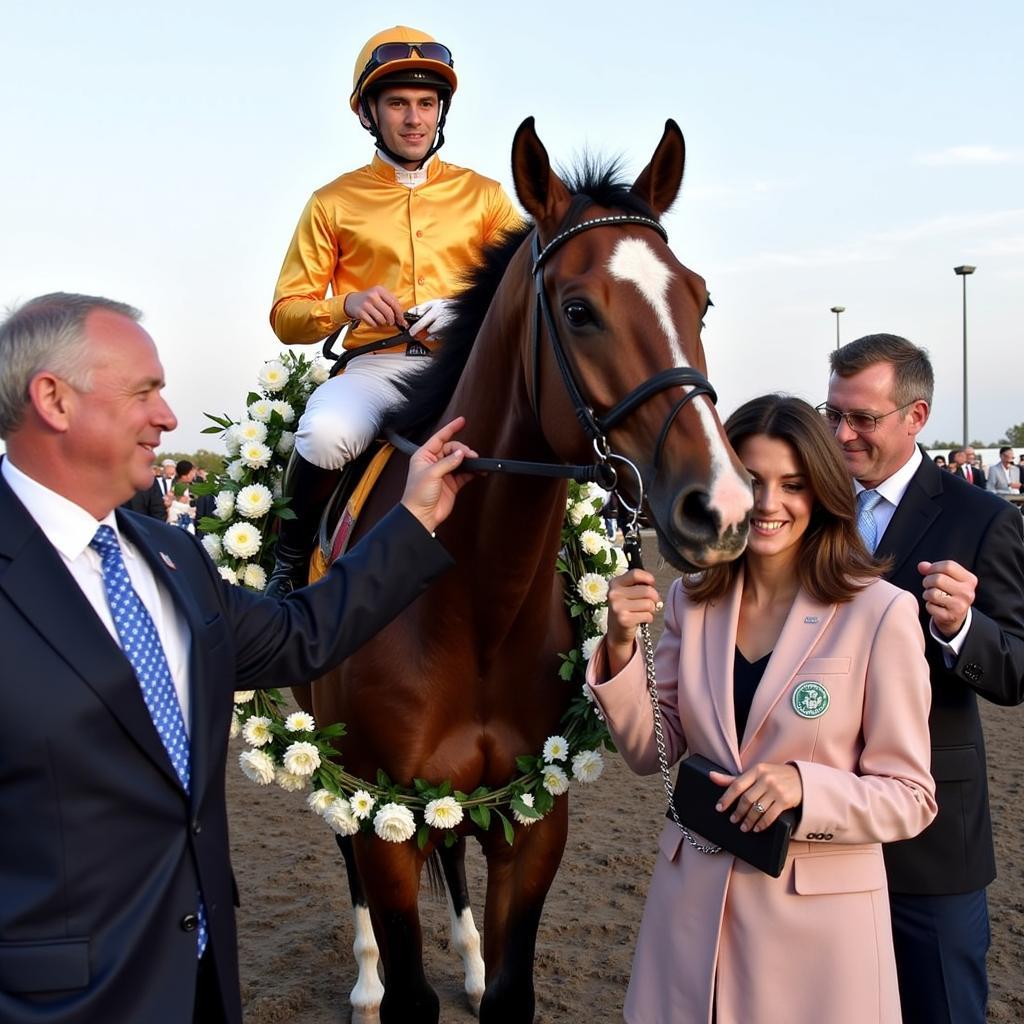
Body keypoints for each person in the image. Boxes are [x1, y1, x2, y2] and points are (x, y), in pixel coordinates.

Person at [0, 292, 477, 1024]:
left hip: (202, 978)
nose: (168, 418)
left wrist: (412, 519)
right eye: (145, 392)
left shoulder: (170, 557)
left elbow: (300, 634)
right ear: (53, 399)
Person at [587, 395, 937, 1024]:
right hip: (689, 921)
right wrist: (617, 645)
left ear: (825, 492)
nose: (770, 504)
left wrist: (805, 787)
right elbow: (650, 752)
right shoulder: (689, 601)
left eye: (794, 485)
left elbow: (910, 796)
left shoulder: (881, 613)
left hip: (818, 946)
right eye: (752, 481)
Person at [266, 25, 522, 596]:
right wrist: (345, 304)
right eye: (399, 103)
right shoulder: (331, 202)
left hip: (464, 370)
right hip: (376, 371)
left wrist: (464, 309)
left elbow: (525, 288)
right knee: (329, 433)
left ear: (441, 111)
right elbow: (287, 313)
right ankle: (288, 565)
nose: (414, 118)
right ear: (368, 114)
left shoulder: (485, 197)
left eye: (427, 103)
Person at [825, 333, 1024, 1023]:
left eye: (862, 419)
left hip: (931, 842)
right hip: (817, 821)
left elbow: (1015, 668)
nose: (842, 433)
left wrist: (960, 629)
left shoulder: (983, 518)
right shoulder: (807, 506)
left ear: (916, 418)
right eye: (833, 414)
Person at [167, 458, 197, 531]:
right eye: (191, 473)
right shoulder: (179, 487)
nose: (193, 476)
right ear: (185, 475)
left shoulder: (176, 485)